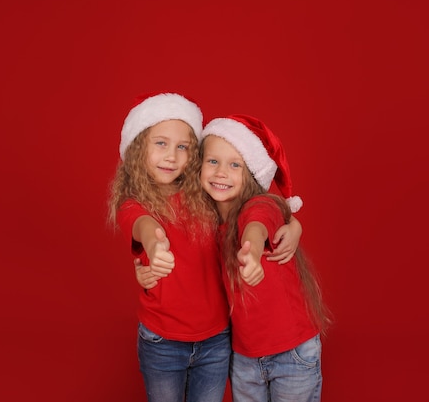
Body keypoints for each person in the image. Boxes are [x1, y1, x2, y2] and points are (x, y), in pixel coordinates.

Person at [107, 93, 303, 402]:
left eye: (182, 147)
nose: (171, 156)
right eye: (161, 143)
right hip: (162, 341)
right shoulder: (135, 203)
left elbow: (256, 212)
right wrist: (155, 247)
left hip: (216, 340)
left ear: (194, 155)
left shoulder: (208, 194)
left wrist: (294, 226)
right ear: (137, 149)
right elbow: (143, 225)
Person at [199, 114, 332, 402]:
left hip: (292, 353)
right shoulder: (207, 222)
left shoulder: (261, 203)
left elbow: (256, 224)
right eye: (213, 161)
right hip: (244, 358)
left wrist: (253, 252)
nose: (221, 172)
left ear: (252, 174)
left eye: (235, 164)